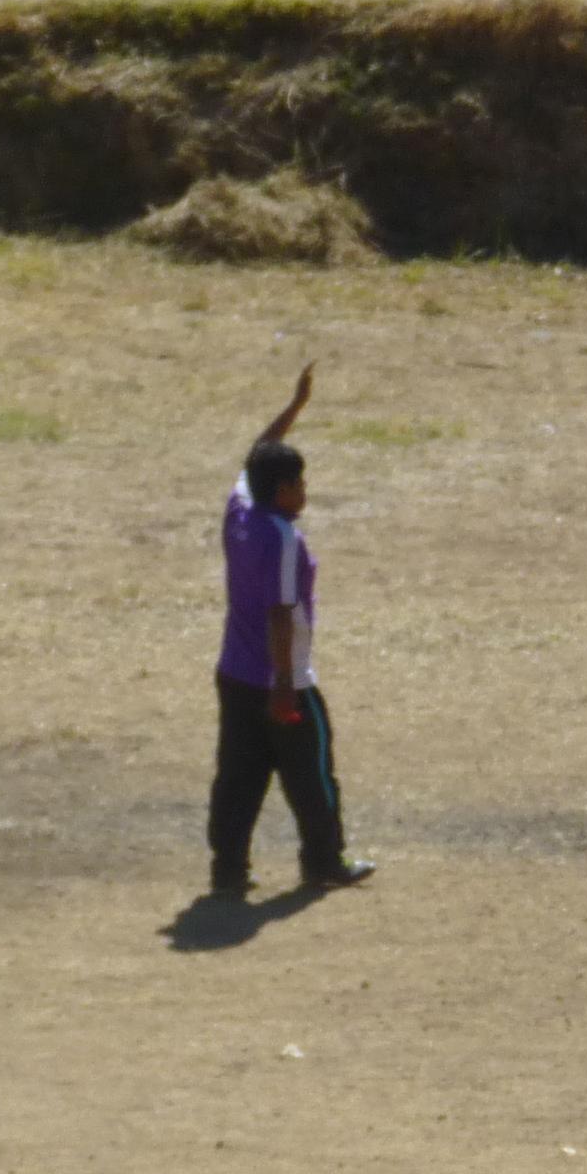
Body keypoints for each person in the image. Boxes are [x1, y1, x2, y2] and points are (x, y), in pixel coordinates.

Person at [211, 365, 371, 902]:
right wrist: (284, 685)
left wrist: (294, 408)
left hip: (234, 673)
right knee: (312, 775)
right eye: (300, 482)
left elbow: (258, 449)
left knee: (238, 775)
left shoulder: (240, 510)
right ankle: (325, 861)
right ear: (283, 491)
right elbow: (282, 613)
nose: (305, 491)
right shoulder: (282, 539)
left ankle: (228, 870)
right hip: (282, 680)